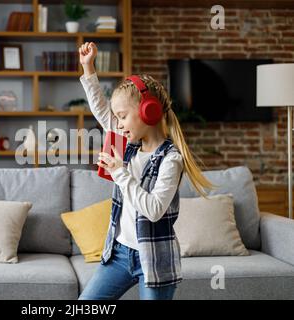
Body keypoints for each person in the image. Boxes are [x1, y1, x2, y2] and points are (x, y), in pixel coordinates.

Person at [78, 42, 214, 300]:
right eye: (116, 118)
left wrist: (120, 172)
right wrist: (88, 67)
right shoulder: (129, 143)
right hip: (118, 254)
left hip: (153, 258)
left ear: (147, 113)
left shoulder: (170, 159)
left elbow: (153, 210)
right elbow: (100, 108)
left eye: (122, 116)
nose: (116, 123)